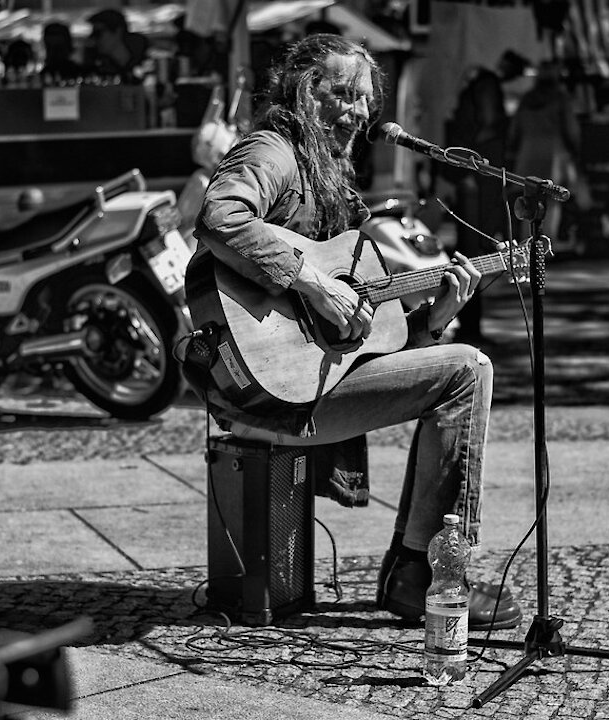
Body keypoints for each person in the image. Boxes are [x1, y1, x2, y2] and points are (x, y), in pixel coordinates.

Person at [187, 34, 523, 630]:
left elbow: (384, 334)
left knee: (456, 367)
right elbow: (219, 217)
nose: (357, 111)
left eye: (364, 99)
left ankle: (413, 572)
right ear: (300, 91)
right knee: (470, 370)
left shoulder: (333, 183)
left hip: (299, 383)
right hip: (263, 390)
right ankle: (423, 574)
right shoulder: (273, 152)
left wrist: (439, 313)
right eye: (340, 94)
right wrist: (313, 284)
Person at [443, 50, 528, 346]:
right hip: (477, 182)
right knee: (471, 254)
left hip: (480, 180)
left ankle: (469, 324)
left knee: (473, 254)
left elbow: (485, 128)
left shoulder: (483, 84)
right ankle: (467, 324)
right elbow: (486, 127)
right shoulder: (484, 83)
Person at [506, 60, 586, 245]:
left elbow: (514, 129)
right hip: (553, 153)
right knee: (552, 198)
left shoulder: (528, 99)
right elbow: (571, 129)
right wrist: (575, 150)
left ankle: (527, 243)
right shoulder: (560, 98)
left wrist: (514, 148)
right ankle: (546, 244)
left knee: (528, 197)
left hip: (528, 151)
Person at [84, 8, 150, 84]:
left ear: (118, 32)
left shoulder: (148, 63)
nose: (94, 39)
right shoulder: (99, 68)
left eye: (98, 33)